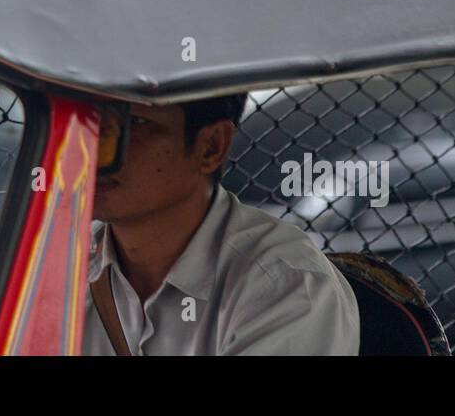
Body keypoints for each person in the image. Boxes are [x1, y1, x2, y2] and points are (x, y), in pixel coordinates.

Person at [84, 94, 359, 355]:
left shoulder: (286, 286)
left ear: (211, 146)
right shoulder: (67, 266)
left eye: (135, 122)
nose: (96, 146)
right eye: (89, 119)